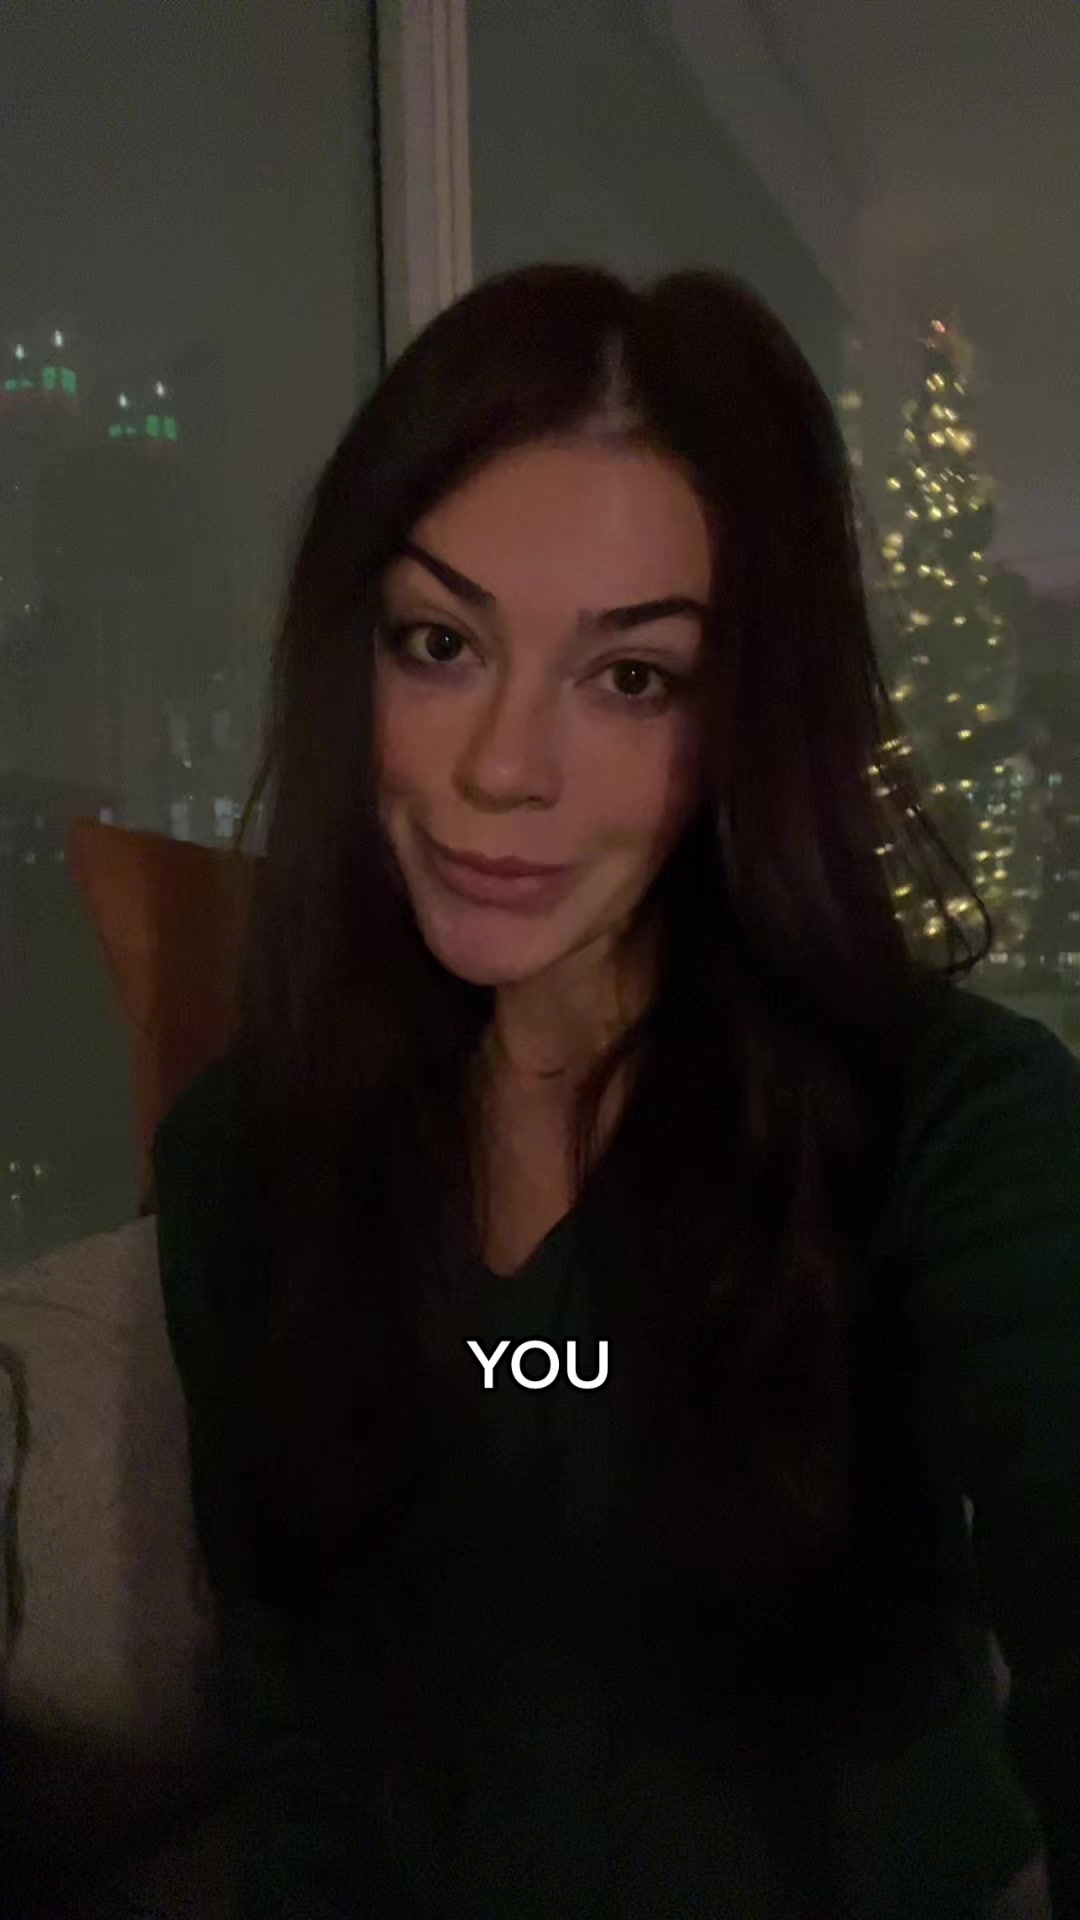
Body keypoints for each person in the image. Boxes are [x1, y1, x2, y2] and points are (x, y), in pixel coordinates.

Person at [151, 264, 1079, 1919]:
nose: (502, 767)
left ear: (746, 718)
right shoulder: (248, 1156)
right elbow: (301, 1751)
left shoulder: (950, 1126)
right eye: (441, 644)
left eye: (633, 677)